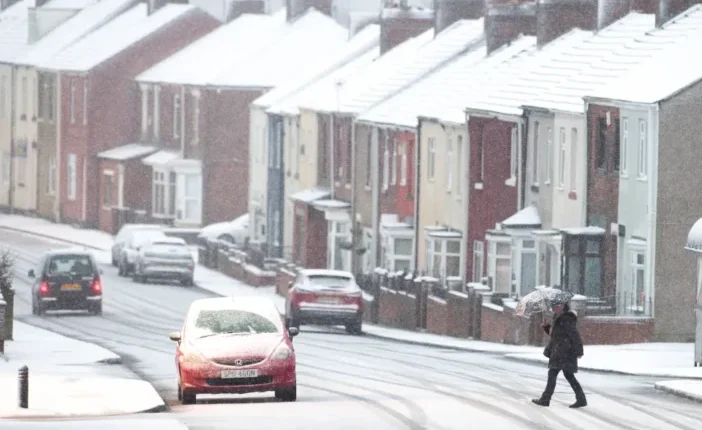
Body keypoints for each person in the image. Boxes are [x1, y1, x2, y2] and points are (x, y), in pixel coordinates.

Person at [531, 301, 587, 408]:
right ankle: (581, 398)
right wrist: (546, 327)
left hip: (564, 351)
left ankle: (545, 399)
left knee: (553, 374)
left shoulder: (566, 319)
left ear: (563, 307)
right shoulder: (558, 318)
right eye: (553, 306)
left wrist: (579, 351)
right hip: (560, 351)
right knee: (568, 375)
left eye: (556, 306)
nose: (554, 308)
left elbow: (574, 335)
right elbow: (556, 336)